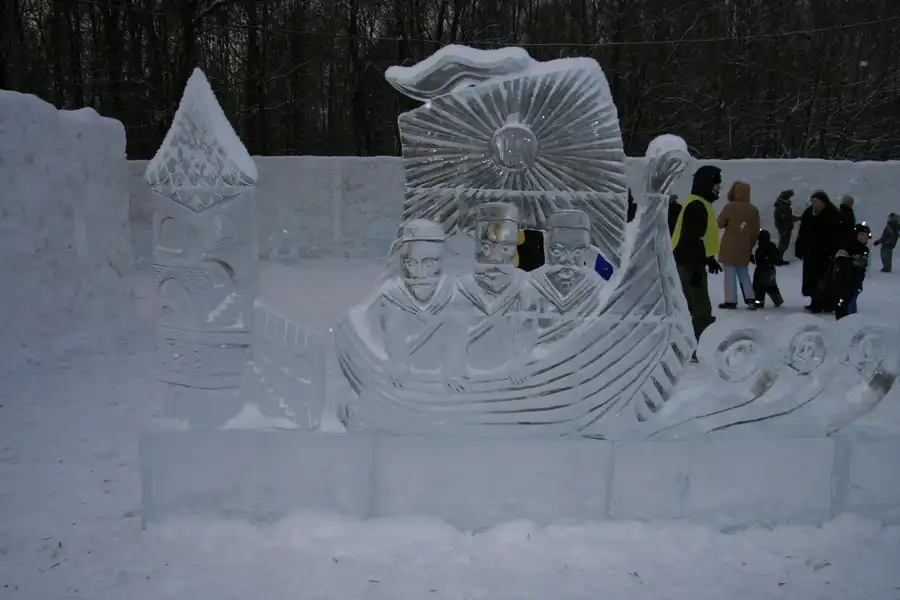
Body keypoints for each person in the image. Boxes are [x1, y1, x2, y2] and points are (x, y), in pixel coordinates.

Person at [672, 165, 723, 348]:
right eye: (716, 185)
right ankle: (700, 345)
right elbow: (690, 239)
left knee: (693, 306)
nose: (718, 189)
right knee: (700, 308)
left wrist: (709, 258)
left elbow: (700, 237)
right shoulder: (697, 206)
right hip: (690, 264)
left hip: (690, 262)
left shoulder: (700, 203)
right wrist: (695, 269)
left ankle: (691, 341)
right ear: (706, 184)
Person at [794, 190, 841, 313]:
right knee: (811, 279)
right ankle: (815, 302)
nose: (814, 204)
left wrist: (833, 250)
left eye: (817, 202)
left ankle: (827, 303)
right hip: (810, 252)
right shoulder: (808, 213)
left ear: (823, 202)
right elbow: (802, 231)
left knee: (825, 280)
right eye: (813, 201)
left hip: (825, 253)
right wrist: (799, 247)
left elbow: (836, 235)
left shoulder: (832, 214)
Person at [716, 181, 760, 310]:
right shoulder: (753, 210)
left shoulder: (730, 207)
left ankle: (731, 300)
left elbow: (720, 224)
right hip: (744, 247)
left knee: (729, 275)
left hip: (729, 246)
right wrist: (750, 246)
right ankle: (750, 298)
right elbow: (755, 231)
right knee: (744, 274)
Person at [832, 222, 871, 320]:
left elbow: (865, 265)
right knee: (843, 302)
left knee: (852, 300)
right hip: (845, 280)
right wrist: (851, 264)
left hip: (857, 281)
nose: (864, 237)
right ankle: (843, 320)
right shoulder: (848, 246)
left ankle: (851, 319)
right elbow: (839, 259)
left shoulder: (865, 249)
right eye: (861, 234)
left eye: (866, 235)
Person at [752, 230, 783, 307]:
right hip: (770, 270)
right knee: (771, 286)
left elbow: (758, 260)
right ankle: (778, 300)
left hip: (762, 271)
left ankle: (759, 303)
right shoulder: (772, 246)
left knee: (759, 288)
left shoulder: (761, 248)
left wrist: (752, 259)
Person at [773, 189, 800, 265]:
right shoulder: (783, 207)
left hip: (784, 228)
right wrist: (800, 218)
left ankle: (778, 259)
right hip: (784, 228)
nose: (790, 200)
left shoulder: (780, 206)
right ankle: (778, 259)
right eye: (789, 197)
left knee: (783, 244)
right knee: (783, 244)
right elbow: (789, 217)